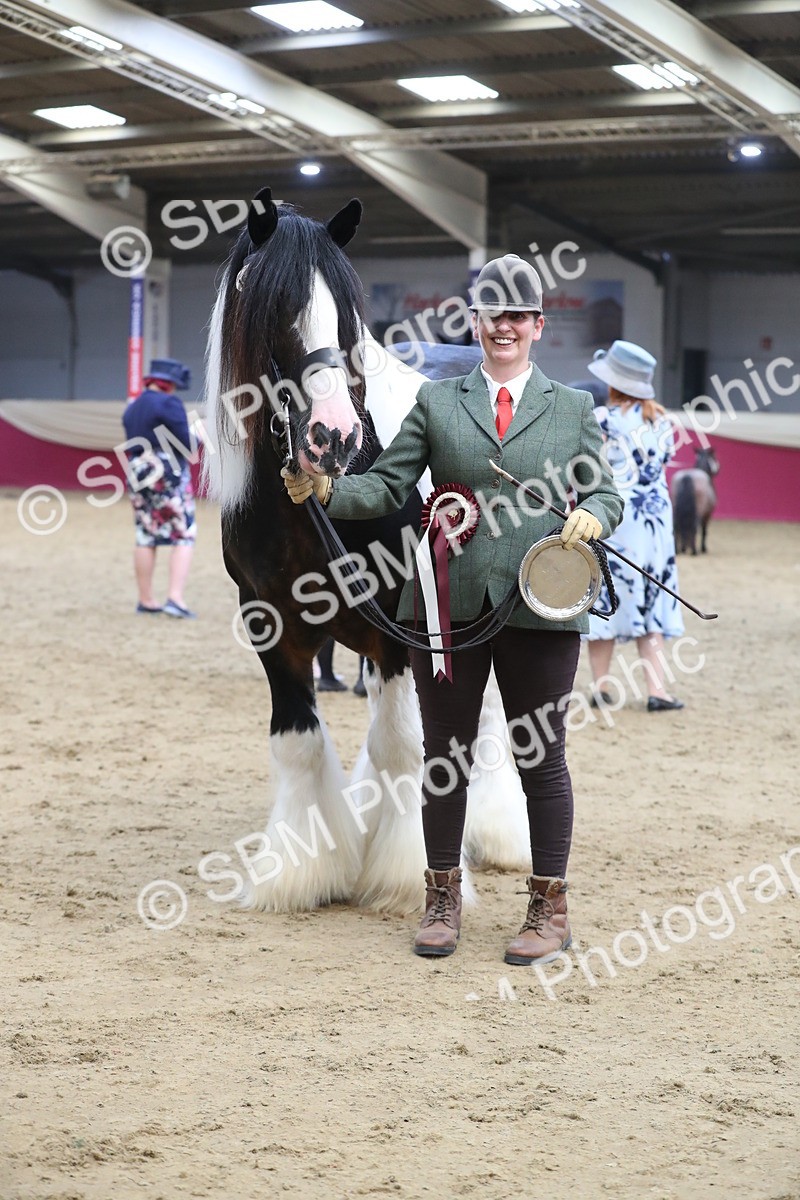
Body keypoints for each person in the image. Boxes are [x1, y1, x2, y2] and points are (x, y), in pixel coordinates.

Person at [283, 254, 623, 965]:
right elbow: (384, 487)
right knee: (445, 759)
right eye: (491, 315)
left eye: (516, 317)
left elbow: (607, 492)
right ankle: (441, 901)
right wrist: (326, 493)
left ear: (536, 325)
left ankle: (547, 909)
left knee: (542, 757)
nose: (503, 327)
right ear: (476, 324)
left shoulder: (574, 409)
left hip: (541, 605)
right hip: (448, 606)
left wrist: (593, 514)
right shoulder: (438, 402)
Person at [583, 341, 685, 711]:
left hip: (618, 517)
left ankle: (602, 686)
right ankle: (657, 691)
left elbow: (590, 470)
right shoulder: (663, 422)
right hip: (656, 520)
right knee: (653, 595)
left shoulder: (602, 419)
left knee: (607, 594)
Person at [122, 357, 197, 618]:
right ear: (169, 384)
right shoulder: (170, 403)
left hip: (137, 468)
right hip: (166, 469)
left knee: (145, 534)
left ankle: (146, 599)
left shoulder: (133, 408)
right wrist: (198, 435)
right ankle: (175, 598)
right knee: (184, 533)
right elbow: (186, 444)